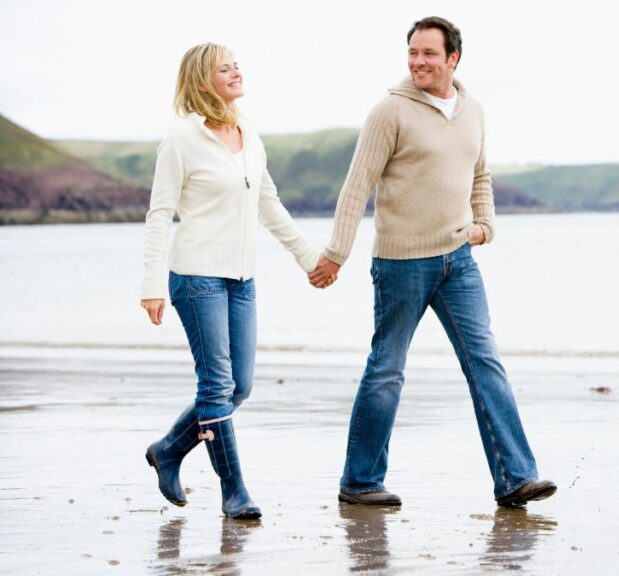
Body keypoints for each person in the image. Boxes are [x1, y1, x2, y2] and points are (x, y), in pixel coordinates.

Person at [308, 16, 555, 508]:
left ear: (452, 59)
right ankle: (359, 482)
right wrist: (336, 254)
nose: (418, 62)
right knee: (387, 369)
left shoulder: (473, 111)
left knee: (485, 363)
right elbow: (357, 186)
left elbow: (480, 174)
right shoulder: (389, 112)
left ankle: (515, 478)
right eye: (413, 53)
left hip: (458, 262)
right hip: (402, 264)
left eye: (428, 54)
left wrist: (485, 225)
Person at [140, 43, 332, 519]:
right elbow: (160, 212)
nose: (234, 72)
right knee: (215, 385)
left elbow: (269, 204)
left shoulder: (249, 133)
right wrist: (151, 284)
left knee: (238, 387)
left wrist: (309, 258)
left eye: (236, 65)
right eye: (222, 68)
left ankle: (168, 449)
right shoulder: (182, 139)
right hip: (196, 276)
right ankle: (234, 492)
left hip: (241, 279)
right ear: (201, 80)